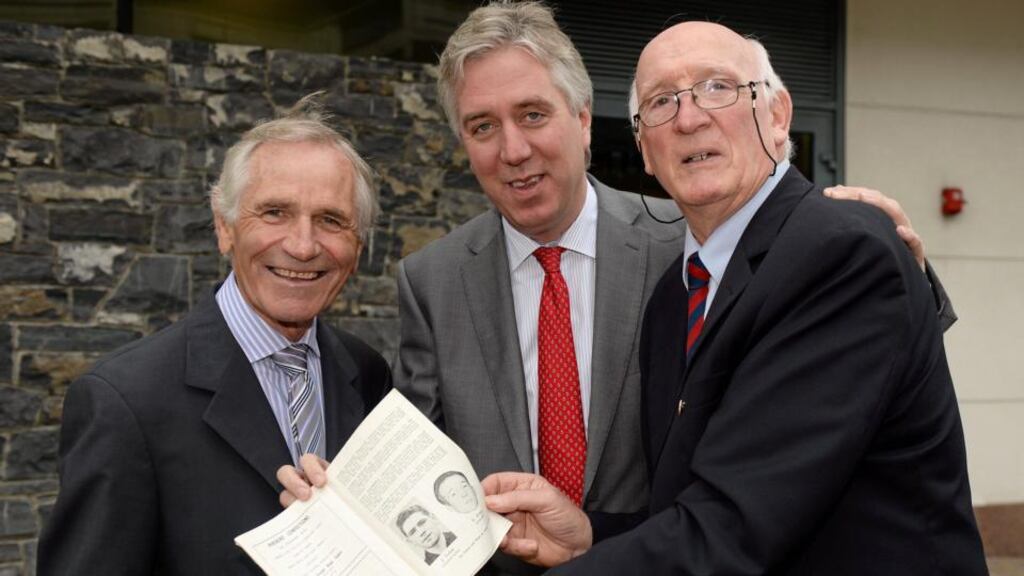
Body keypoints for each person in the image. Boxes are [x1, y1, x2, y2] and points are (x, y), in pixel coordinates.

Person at [277, 2, 955, 573]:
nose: (513, 150)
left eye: (533, 115)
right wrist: (344, 509)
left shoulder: (684, 244)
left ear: (582, 122)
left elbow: (742, 511)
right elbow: (420, 462)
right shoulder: (436, 279)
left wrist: (910, 271)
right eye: (483, 127)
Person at [482, 21, 987, 575]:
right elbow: (693, 510)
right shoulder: (671, 303)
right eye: (660, 102)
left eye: (717, 87)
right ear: (644, 151)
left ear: (776, 116)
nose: (689, 117)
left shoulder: (838, 253)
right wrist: (588, 537)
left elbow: (732, 530)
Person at [37, 95, 393, 576]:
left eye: (331, 220)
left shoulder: (367, 375)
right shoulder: (125, 402)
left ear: (358, 245)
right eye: (274, 213)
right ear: (224, 226)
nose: (303, 245)